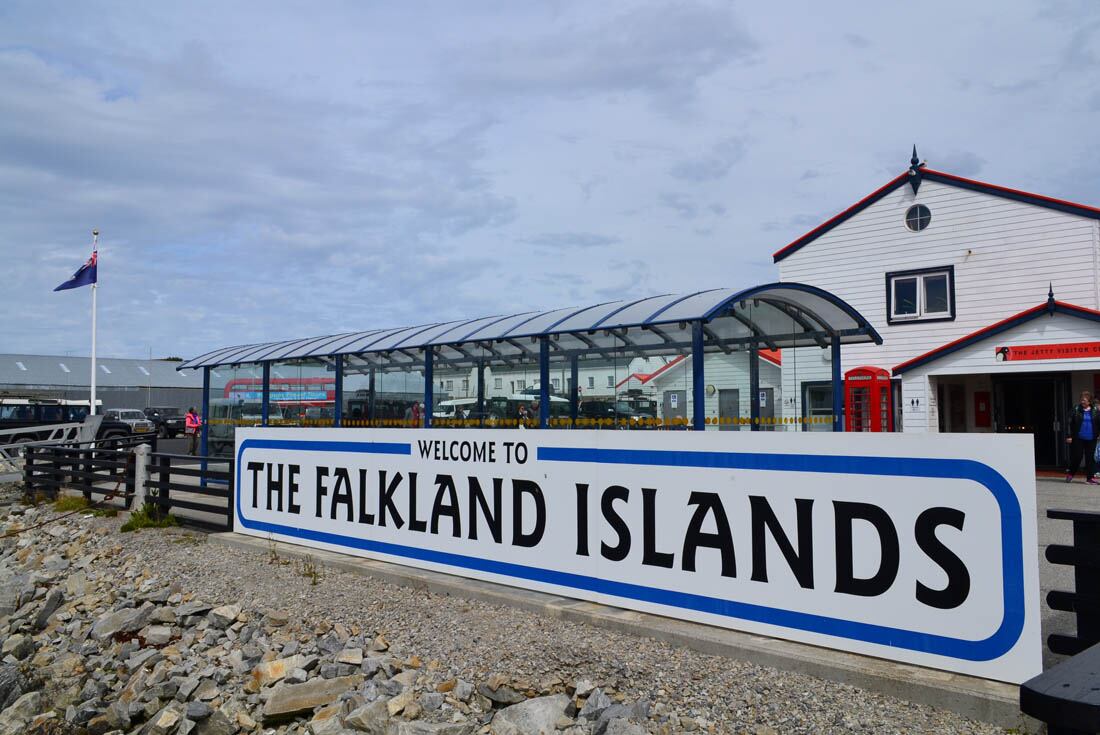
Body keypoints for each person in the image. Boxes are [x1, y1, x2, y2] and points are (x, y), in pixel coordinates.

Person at [1066, 391, 1100, 484]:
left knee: (1090, 459)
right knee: (1077, 457)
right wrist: (1069, 435)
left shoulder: (1095, 410)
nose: (1082, 402)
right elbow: (1069, 422)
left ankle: (1090, 478)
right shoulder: (1076, 409)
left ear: (1089, 401)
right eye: (1081, 400)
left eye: (1084, 400)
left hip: (1092, 438)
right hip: (1078, 438)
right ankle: (1070, 474)